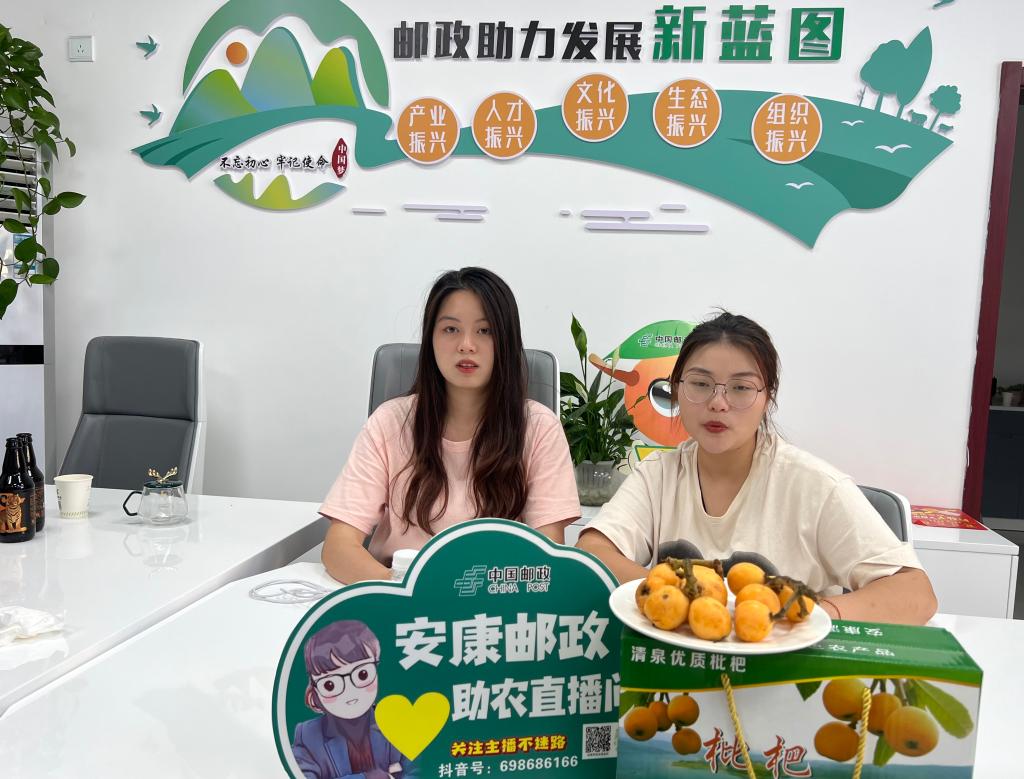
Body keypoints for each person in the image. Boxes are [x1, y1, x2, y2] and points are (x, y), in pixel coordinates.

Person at [577, 311, 937, 625]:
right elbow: (593, 550)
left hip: (783, 673)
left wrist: (803, 617)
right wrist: (681, 601)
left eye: (740, 388)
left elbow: (915, 593)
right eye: (700, 384)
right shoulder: (659, 474)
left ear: (768, 398)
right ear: (676, 390)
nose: (718, 403)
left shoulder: (814, 486)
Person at [321, 267, 580, 583]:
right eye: (451, 329)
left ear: (507, 341)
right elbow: (339, 546)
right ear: (430, 338)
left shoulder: (539, 429)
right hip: (399, 592)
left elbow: (546, 559)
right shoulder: (389, 422)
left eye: (485, 330)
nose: (466, 345)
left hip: (494, 600)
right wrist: (405, 592)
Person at [291, 620, 411, 779]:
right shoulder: (308, 736)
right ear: (315, 689)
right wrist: (369, 777)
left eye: (362, 674)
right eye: (330, 684)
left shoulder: (394, 720)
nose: (350, 692)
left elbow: (419, 770)